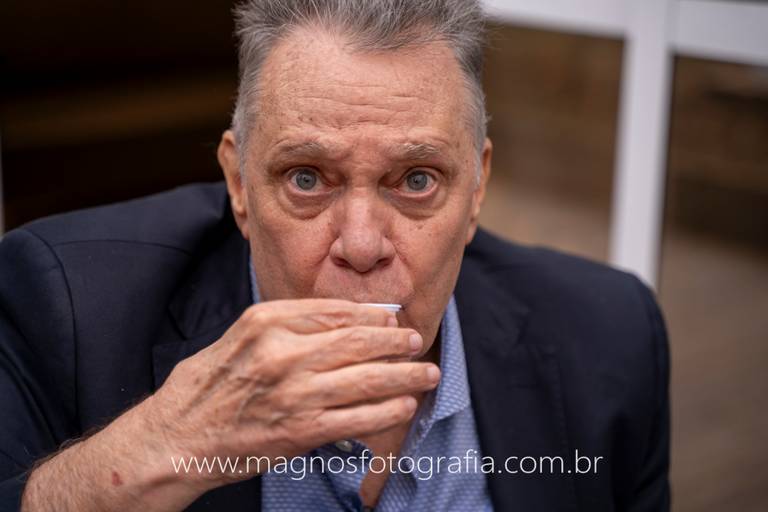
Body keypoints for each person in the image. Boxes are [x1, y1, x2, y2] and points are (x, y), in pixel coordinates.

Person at [0, 1, 670, 510]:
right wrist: (165, 444)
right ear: (238, 184)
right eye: (307, 178)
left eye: (416, 180)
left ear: (476, 189)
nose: (361, 246)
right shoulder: (65, 305)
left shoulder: (610, 337)